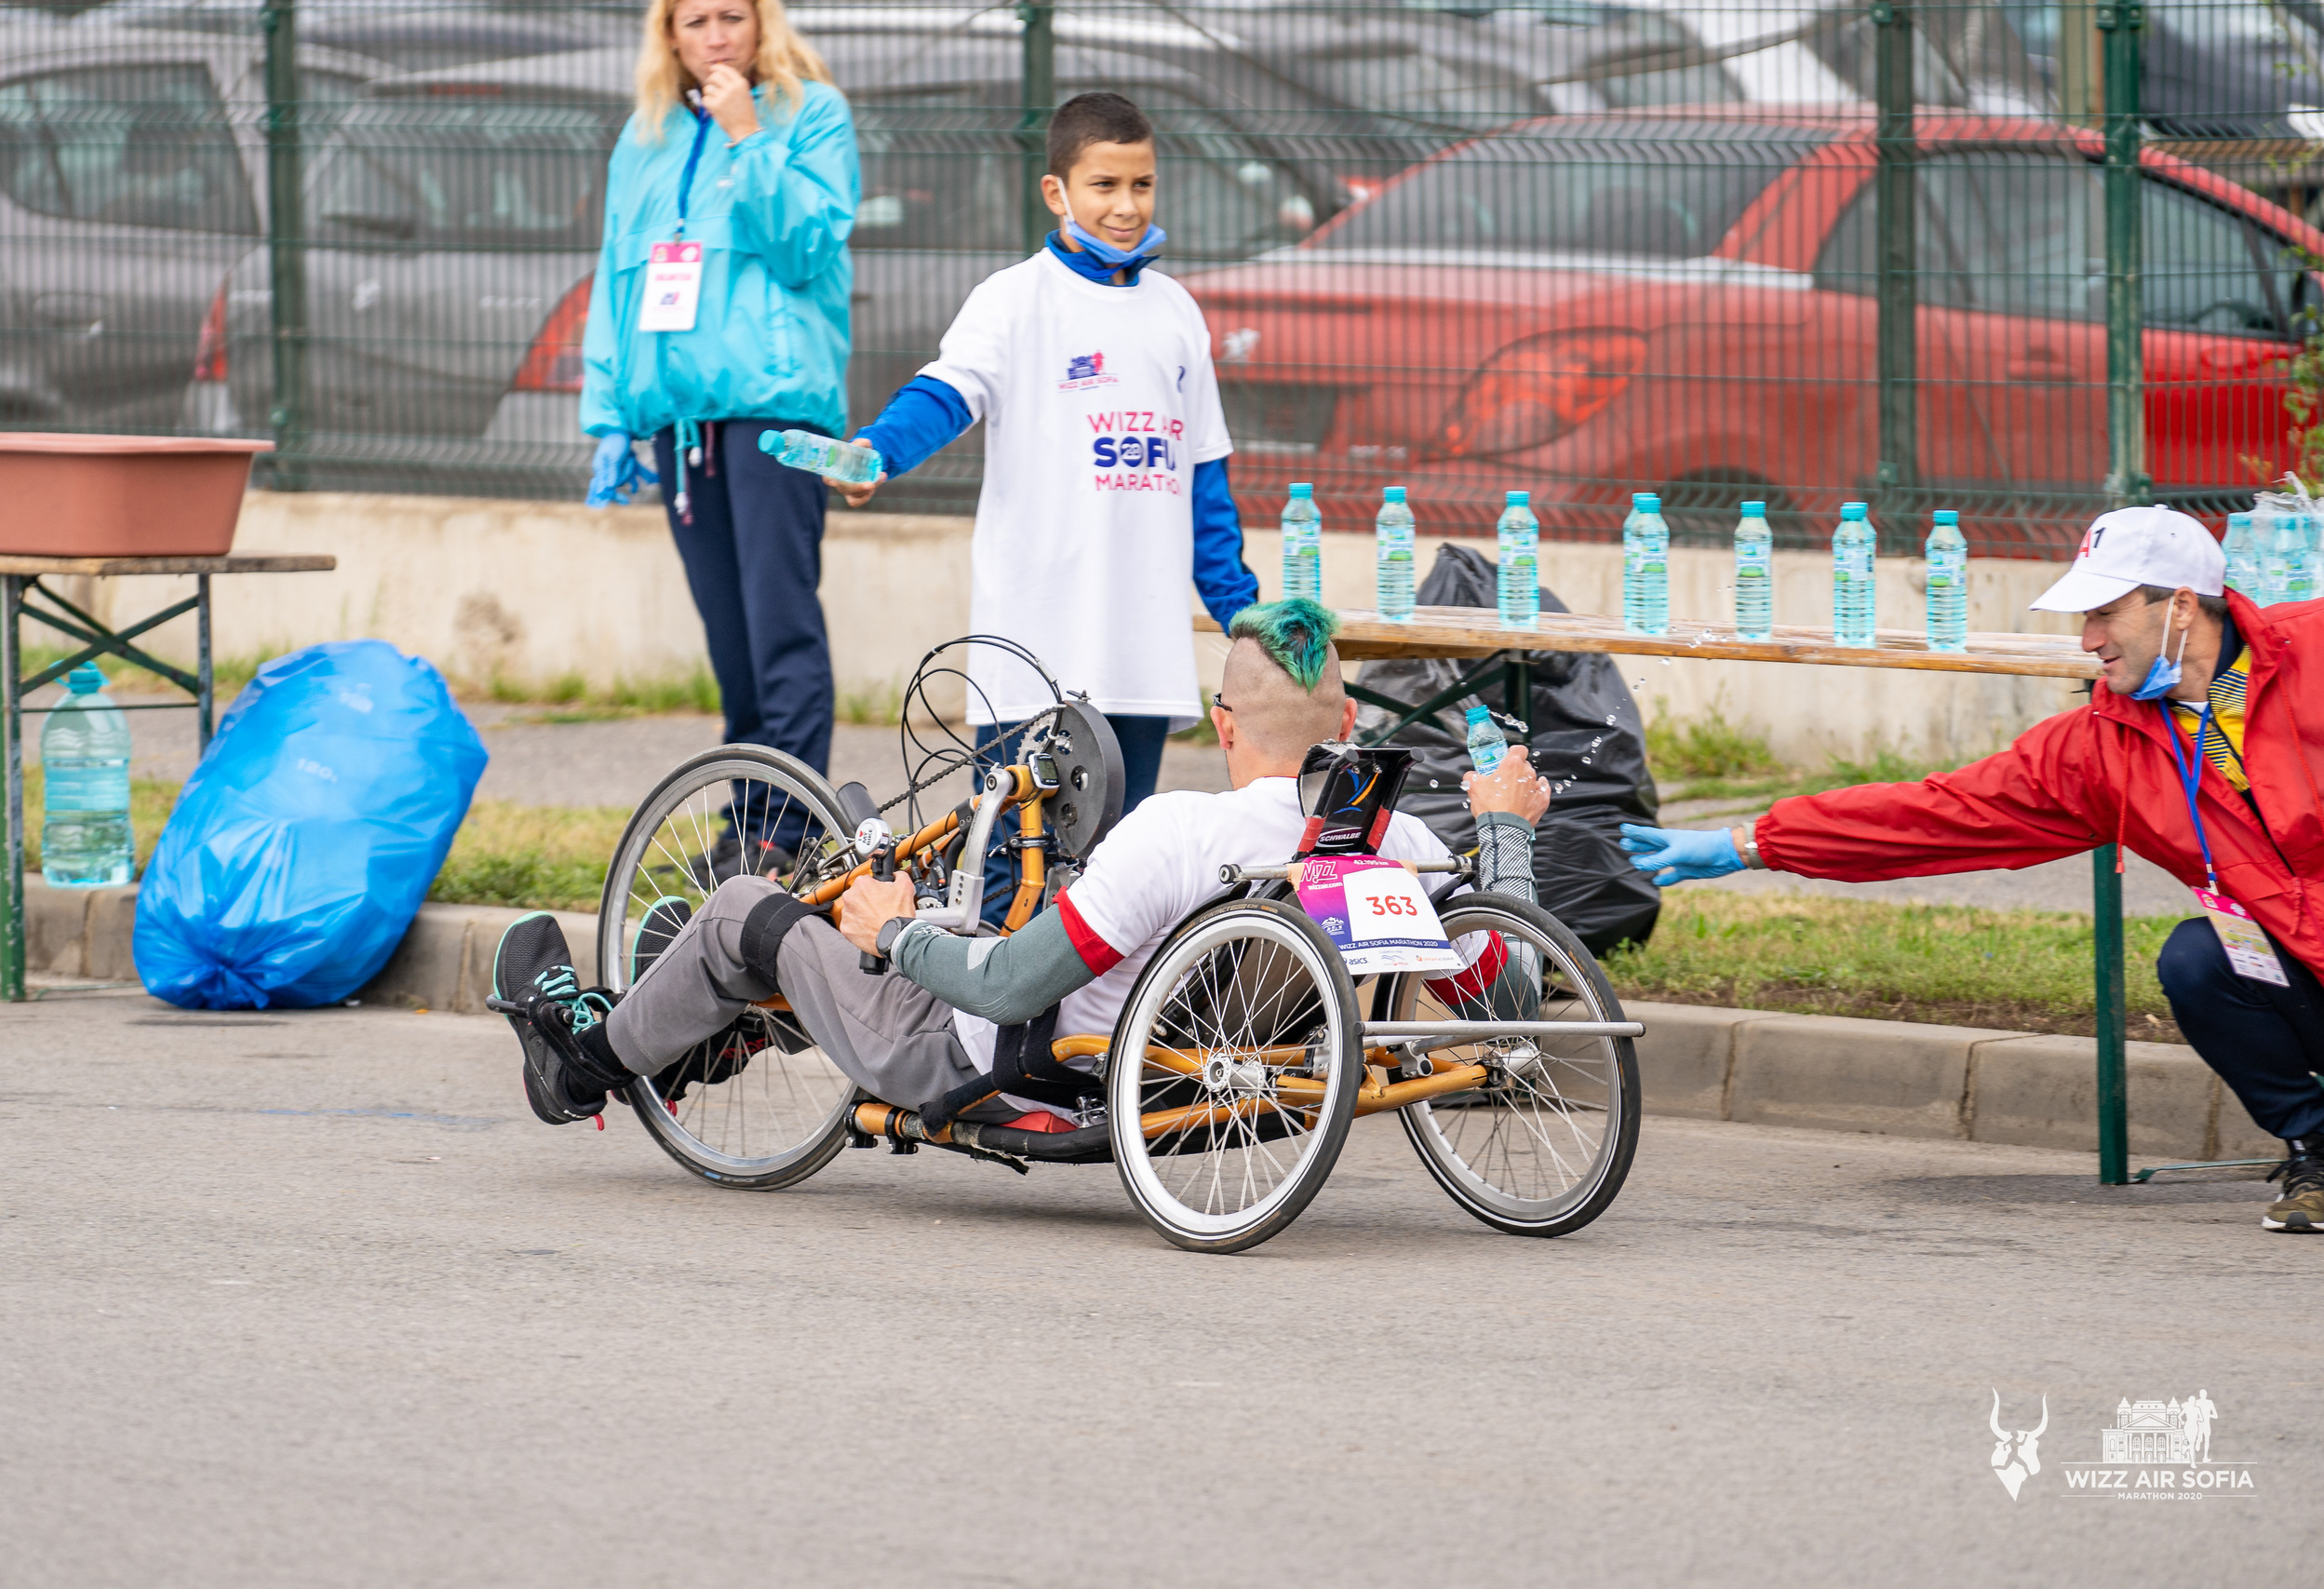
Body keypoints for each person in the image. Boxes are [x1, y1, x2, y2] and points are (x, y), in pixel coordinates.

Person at [489, 600, 1550, 1127]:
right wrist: (1507, 833)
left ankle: (576, 1065)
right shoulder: (1395, 843)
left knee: (742, 907)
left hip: (976, 1060)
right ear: (1349, 722)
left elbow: (1001, 986)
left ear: (1225, 726)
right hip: (1207, 1088)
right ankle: (698, 1051)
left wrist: (894, 933)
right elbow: (1510, 993)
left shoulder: (1174, 836)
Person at [1618, 505, 2324, 1235]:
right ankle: (2322, 1149)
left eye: (2105, 612)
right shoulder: (2099, 748)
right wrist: (1749, 841)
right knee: (2198, 958)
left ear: (2181, 604)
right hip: (2319, 978)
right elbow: (1938, 814)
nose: (2088, 640)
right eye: (2083, 616)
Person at [832, 90, 1260, 878]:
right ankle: (986, 1006)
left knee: (1117, 877)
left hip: (1143, 654)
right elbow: (945, 392)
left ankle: (1096, 1010)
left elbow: (1205, 479)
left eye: (1143, 184)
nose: (1127, 206)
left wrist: (1247, 614)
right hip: (1033, 654)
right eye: (1105, 186)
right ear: (1057, 192)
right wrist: (879, 452)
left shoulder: (1177, 314)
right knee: (1007, 871)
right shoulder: (1013, 299)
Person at [578, 0, 859, 876]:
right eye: (695, 19)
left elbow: (808, 245)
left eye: (732, 16)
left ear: (761, 25)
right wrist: (613, 416)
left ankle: (794, 820)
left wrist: (748, 137)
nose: (715, 36)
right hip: (681, 419)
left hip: (775, 412)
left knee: (782, 626)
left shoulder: (813, 113)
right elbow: (617, 275)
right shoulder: (648, 133)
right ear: (669, 34)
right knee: (730, 640)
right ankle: (750, 819)